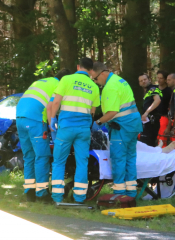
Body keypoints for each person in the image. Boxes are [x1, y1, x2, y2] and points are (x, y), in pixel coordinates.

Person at [46, 57, 100, 203]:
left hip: (66, 128)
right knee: (82, 162)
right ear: (90, 70)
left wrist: (52, 120)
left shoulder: (67, 80)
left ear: (78, 66)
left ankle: (57, 197)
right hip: (83, 130)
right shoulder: (94, 86)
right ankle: (80, 197)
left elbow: (56, 102)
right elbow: (92, 111)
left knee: (59, 162)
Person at [15, 69, 72, 202]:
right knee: (42, 156)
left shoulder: (41, 81)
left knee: (29, 156)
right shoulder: (59, 85)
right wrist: (54, 130)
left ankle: (29, 191)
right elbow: (51, 108)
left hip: (20, 118)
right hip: (35, 120)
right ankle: (42, 193)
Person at [93, 62, 143, 198]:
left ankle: (119, 194)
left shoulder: (110, 86)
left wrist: (97, 122)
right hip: (133, 124)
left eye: (95, 79)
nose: (95, 82)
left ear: (102, 73)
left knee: (118, 158)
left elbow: (112, 112)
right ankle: (131, 193)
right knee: (130, 158)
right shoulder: (119, 80)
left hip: (122, 127)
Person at [138, 73, 162, 147]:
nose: (143, 81)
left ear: (149, 80)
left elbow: (157, 100)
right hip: (147, 122)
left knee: (147, 143)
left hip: (153, 121)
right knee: (145, 142)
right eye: (141, 81)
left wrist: (146, 113)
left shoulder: (153, 89)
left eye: (145, 79)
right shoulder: (147, 91)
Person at [156, 69, 172, 146]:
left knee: (162, 140)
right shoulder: (154, 89)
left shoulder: (169, 91)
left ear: (165, 79)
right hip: (153, 117)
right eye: (158, 78)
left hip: (164, 118)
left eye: (161, 78)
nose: (159, 80)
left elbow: (171, 107)